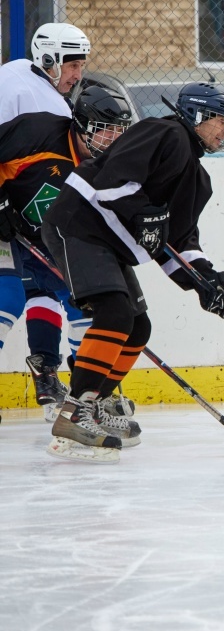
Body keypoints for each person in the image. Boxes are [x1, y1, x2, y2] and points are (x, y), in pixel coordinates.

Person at [39, 82, 224, 463]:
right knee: (115, 313)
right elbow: (111, 181)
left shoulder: (197, 179)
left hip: (107, 241)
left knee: (138, 326)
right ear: (197, 115)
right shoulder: (164, 132)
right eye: (220, 120)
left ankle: (95, 404)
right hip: (78, 222)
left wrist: (206, 281)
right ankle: (74, 413)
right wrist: (144, 211)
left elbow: (176, 244)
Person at [0, 85, 133, 420]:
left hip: (43, 234)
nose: (113, 141)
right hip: (4, 224)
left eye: (119, 132)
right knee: (8, 297)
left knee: (87, 301)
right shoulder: (37, 131)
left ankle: (82, 394)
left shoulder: (106, 167)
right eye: (106, 132)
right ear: (84, 127)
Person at [0, 23, 92, 398]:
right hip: (9, 212)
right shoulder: (15, 84)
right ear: (49, 59)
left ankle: (59, 375)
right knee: (8, 296)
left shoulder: (45, 93)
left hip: (28, 215)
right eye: (72, 65)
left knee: (57, 288)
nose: (77, 75)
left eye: (82, 66)